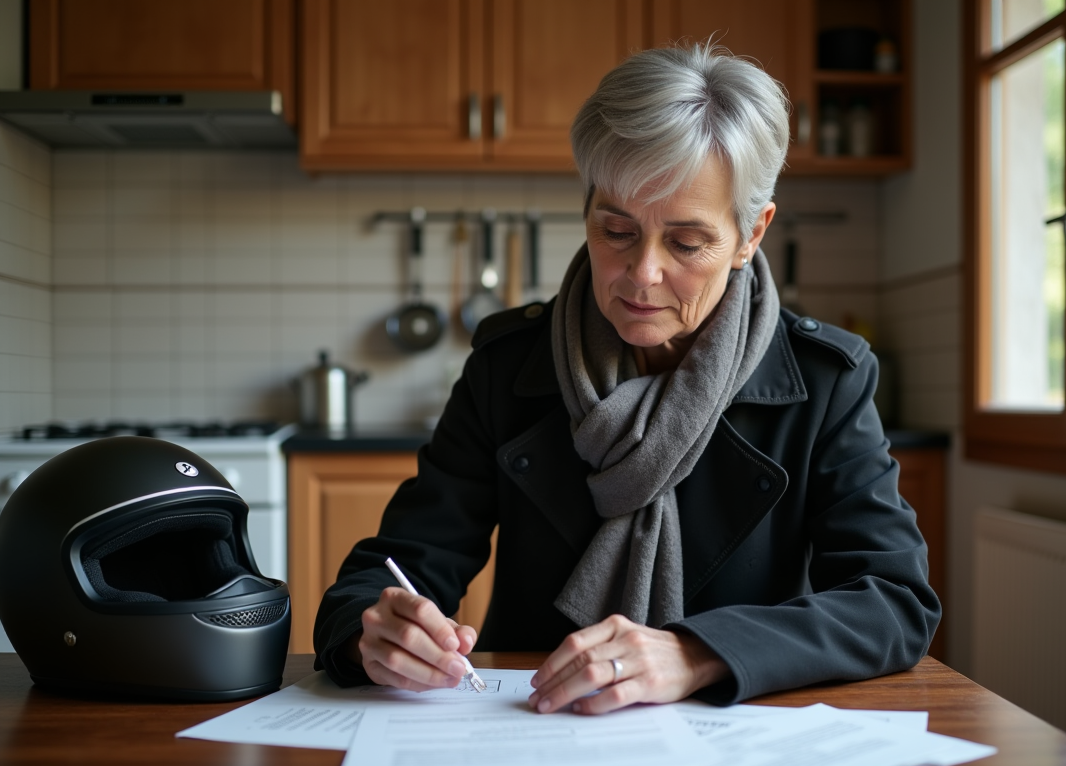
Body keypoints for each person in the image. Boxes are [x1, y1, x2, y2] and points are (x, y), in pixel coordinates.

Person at [313, 42, 940, 714]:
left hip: (737, 737)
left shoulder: (826, 382)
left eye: (686, 242)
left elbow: (892, 602)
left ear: (751, 234)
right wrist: (371, 634)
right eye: (616, 230)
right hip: (528, 723)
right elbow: (399, 563)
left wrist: (698, 652)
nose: (642, 273)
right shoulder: (507, 365)